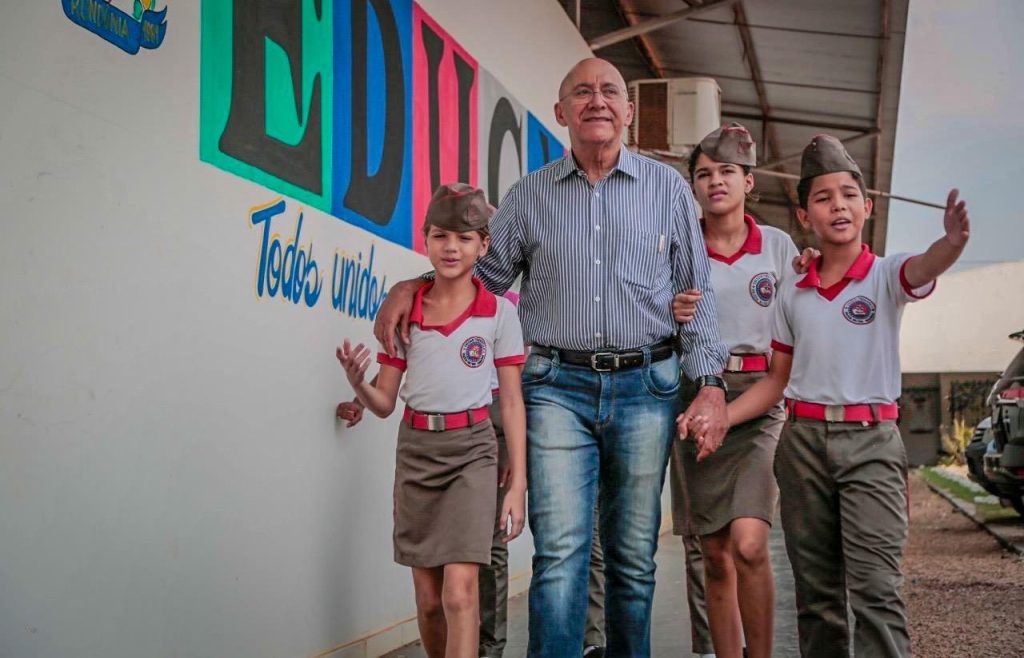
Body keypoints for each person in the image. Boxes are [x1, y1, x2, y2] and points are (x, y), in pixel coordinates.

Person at [375, 57, 729, 658]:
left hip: (647, 386)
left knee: (633, 557)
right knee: (560, 552)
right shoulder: (528, 196)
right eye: (582, 92)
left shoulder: (668, 189)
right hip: (555, 387)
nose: (597, 100)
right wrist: (411, 285)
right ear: (561, 112)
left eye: (610, 91)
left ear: (629, 111)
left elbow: (697, 291)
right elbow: (479, 280)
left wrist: (712, 384)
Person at [683, 134, 970, 657]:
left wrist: (951, 243)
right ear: (804, 216)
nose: (838, 206)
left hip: (871, 443)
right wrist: (721, 416)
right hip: (803, 445)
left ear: (867, 206)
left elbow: (924, 267)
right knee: (816, 598)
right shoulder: (792, 291)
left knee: (876, 590)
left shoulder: (885, 276)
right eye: (823, 198)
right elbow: (776, 380)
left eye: (848, 195)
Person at [337, 183, 528, 658]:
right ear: (425, 239)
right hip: (417, 453)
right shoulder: (407, 313)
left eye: (465, 238)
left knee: (459, 594)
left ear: (484, 245)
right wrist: (359, 382)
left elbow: (511, 402)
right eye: (441, 236)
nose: (451, 247)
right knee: (428, 603)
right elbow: (385, 402)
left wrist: (518, 485)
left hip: (473, 452)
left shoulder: (499, 314)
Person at [671, 123, 799, 658]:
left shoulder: (778, 247)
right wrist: (667, 311)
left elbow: (794, 341)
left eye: (727, 172)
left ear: (749, 181)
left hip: (761, 398)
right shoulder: (677, 247)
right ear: (693, 186)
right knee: (715, 553)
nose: (715, 182)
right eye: (704, 174)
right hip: (695, 397)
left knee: (749, 544)